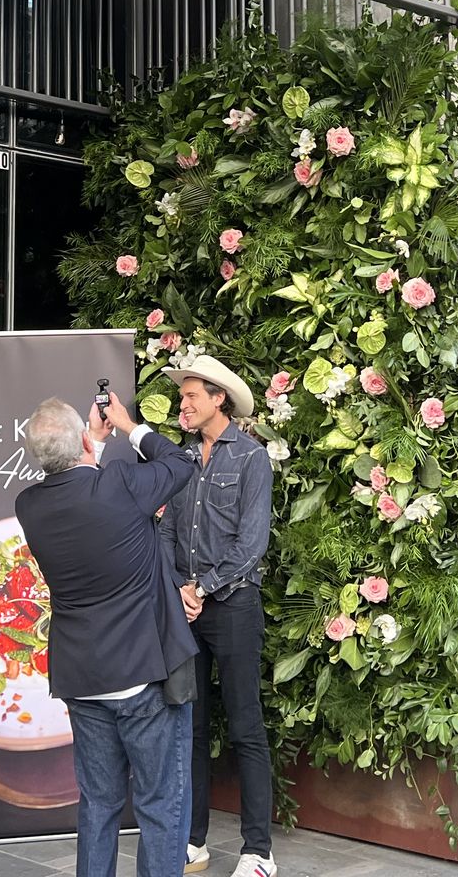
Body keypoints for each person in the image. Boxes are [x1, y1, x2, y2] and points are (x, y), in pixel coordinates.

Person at [16, 396, 199, 877]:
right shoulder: (118, 484)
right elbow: (181, 460)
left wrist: (91, 440)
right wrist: (128, 426)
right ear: (80, 441)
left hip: (81, 677)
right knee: (160, 804)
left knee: (98, 804)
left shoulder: (29, 506)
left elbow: (74, 483)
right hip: (140, 671)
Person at [159, 357, 276, 877]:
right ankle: (194, 841)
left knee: (246, 727)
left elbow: (252, 545)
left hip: (233, 609)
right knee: (191, 726)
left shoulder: (251, 460)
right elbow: (164, 534)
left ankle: (258, 852)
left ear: (217, 399)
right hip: (187, 610)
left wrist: (201, 587)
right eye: (183, 397)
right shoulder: (181, 463)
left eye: (190, 397)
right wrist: (177, 590)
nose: (182, 405)